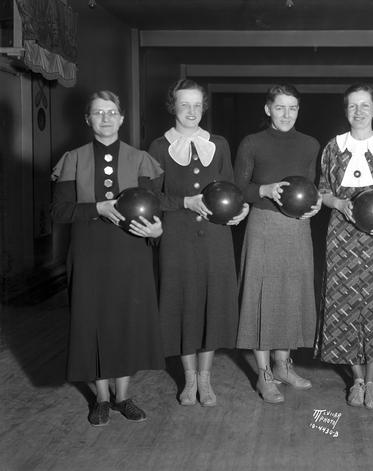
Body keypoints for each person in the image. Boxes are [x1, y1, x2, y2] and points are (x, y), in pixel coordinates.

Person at [51, 90, 165, 426]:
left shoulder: (141, 158)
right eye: (98, 113)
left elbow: (155, 207)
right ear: (87, 119)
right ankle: (101, 398)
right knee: (92, 321)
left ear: (122, 118)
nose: (105, 118)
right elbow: (58, 210)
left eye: (111, 112)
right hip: (88, 253)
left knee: (127, 320)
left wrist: (158, 231)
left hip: (132, 252)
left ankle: (124, 396)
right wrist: (97, 208)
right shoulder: (72, 158)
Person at [148, 79, 249, 407]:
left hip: (215, 239)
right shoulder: (159, 147)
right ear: (172, 107)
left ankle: (206, 380)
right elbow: (151, 197)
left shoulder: (218, 144)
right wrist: (184, 202)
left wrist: (240, 210)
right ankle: (189, 379)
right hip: (176, 239)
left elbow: (231, 188)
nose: (190, 111)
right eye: (183, 104)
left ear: (203, 107)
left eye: (196, 105)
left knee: (211, 305)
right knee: (183, 306)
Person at [316, 84, 373, 409]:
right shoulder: (333, 147)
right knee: (344, 304)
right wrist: (337, 203)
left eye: (365, 105)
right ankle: (356, 379)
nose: (359, 111)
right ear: (346, 110)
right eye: (353, 106)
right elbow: (322, 191)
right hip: (341, 236)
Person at [235, 84, 321, 404]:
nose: (286, 114)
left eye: (293, 108)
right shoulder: (252, 143)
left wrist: (314, 206)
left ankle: (283, 366)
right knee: (262, 296)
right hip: (264, 225)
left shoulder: (310, 144)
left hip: (298, 228)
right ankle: (264, 374)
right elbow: (238, 187)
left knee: (289, 295)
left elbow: (311, 187)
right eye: (280, 107)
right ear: (268, 109)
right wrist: (265, 190)